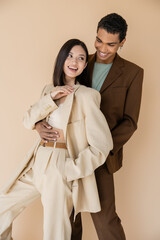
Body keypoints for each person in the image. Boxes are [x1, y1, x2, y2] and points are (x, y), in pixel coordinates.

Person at [35, 13, 144, 240]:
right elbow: (57, 98)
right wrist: (38, 123)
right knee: (69, 216)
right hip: (68, 152)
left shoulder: (133, 73)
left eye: (111, 44)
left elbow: (130, 122)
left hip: (100, 157)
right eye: (99, 40)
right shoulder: (80, 61)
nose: (102, 48)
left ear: (122, 42)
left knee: (105, 219)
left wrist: (100, 148)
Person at [0, 39, 113, 240]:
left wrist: (70, 169)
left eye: (81, 58)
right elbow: (27, 120)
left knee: (55, 232)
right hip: (37, 161)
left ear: (85, 65)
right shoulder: (48, 90)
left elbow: (102, 145)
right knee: (3, 205)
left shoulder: (87, 96)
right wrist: (49, 99)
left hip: (60, 163)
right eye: (70, 55)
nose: (74, 61)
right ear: (61, 58)